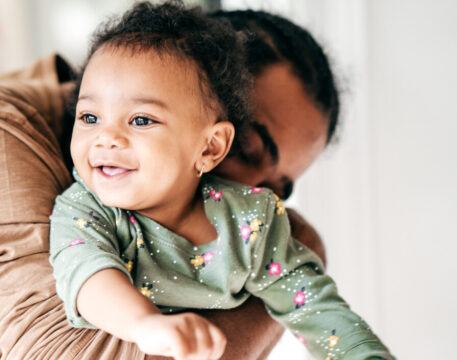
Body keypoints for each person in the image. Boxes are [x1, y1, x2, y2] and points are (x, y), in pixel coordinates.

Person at [0, 3, 335, 360]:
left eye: (279, 189)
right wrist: (299, 257)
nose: (257, 198)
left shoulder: (152, 207)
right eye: (243, 151)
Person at [49, 2, 393, 360]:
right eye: (89, 116)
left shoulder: (253, 222)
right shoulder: (87, 210)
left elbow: (313, 305)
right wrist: (144, 324)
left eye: (140, 121)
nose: (106, 138)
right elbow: (86, 272)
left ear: (211, 145)